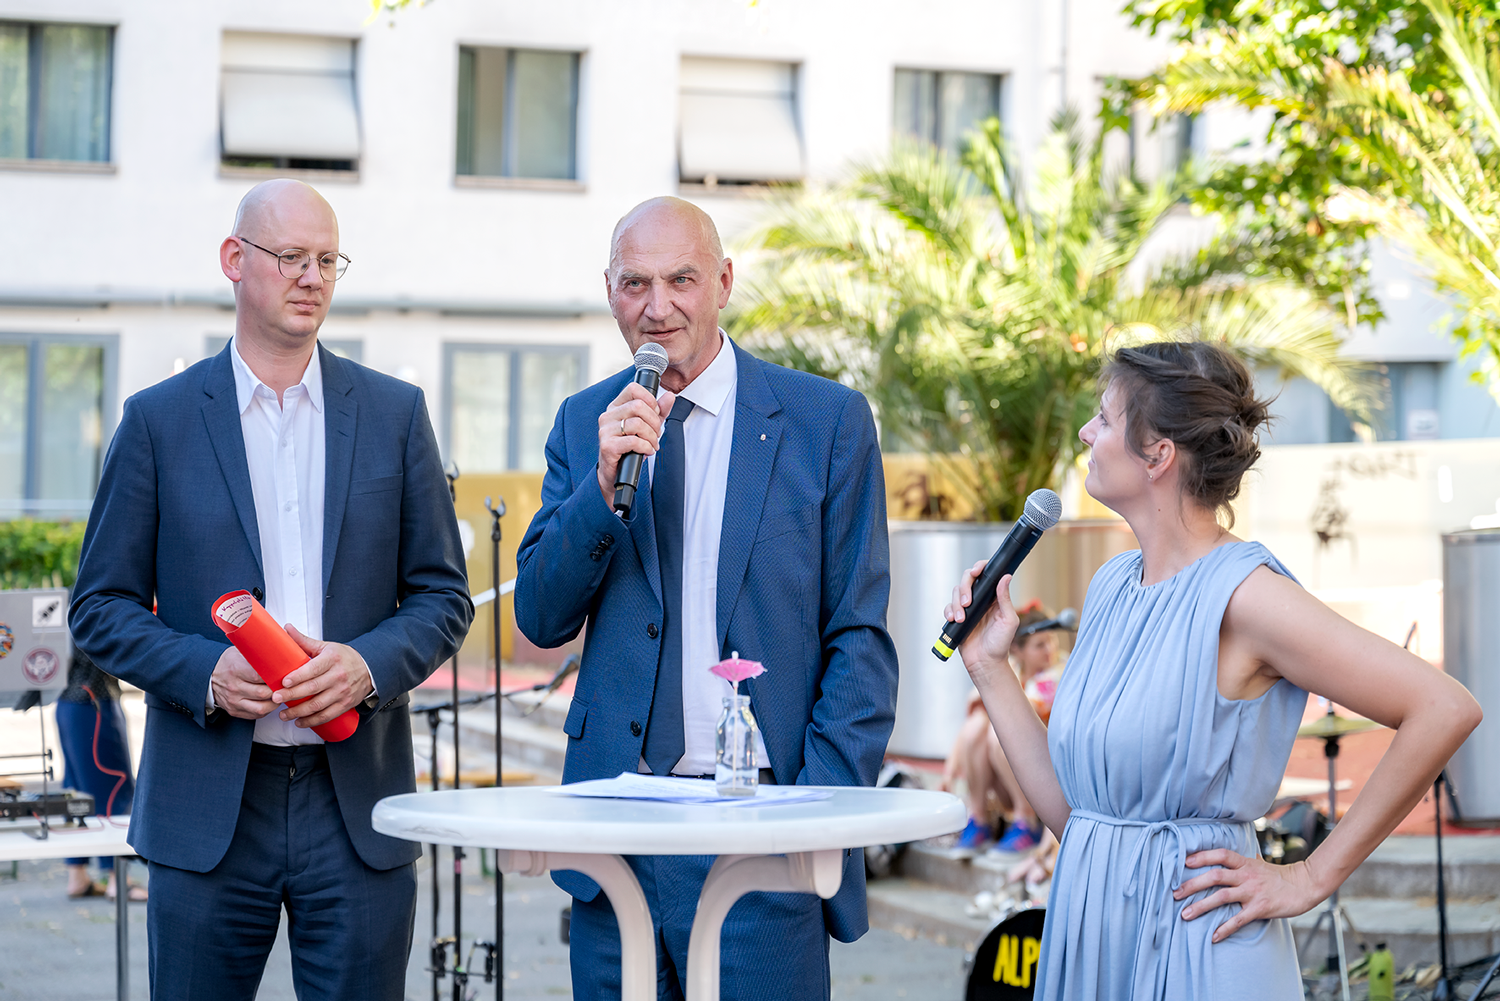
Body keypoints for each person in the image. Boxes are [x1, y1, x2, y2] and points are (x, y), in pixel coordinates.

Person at [944, 340, 1482, 999]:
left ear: (1158, 455)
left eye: (1104, 418)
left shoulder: (1247, 596)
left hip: (1197, 949)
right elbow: (1078, 818)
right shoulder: (1112, 585)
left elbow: (1443, 706)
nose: (1085, 432)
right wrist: (989, 666)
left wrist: (1311, 876)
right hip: (1095, 938)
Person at [69, 179, 473, 1001]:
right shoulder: (157, 420)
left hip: (356, 802)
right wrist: (205, 672)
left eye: (327, 259)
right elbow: (98, 608)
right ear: (234, 259)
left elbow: (443, 595)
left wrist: (365, 664)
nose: (312, 277)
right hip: (208, 805)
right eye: (291, 257)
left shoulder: (396, 413)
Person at [514, 196, 899, 1001]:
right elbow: (542, 617)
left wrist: (813, 813)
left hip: (760, 832)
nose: (657, 307)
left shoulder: (825, 421)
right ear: (610, 291)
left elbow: (858, 636)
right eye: (635, 283)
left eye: (681, 279)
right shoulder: (585, 420)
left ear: (723, 281)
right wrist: (599, 487)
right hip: (615, 831)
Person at [942, 602, 1059, 854]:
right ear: (1017, 650)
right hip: (1012, 779)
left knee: (1001, 730)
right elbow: (973, 717)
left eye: (1051, 641)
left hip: (1047, 781)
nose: (1049, 650)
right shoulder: (1011, 670)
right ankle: (979, 819)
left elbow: (1018, 711)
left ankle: (1027, 821)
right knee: (976, 725)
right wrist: (950, 770)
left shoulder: (1057, 674)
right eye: (1040, 644)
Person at [55, 647, 145, 901]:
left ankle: (77, 875)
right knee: (112, 789)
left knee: (75, 793)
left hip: (67, 701)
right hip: (95, 699)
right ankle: (117, 878)